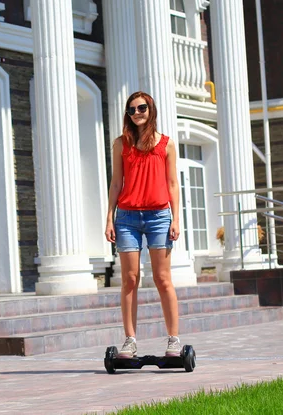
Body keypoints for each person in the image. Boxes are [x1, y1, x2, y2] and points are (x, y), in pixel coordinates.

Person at [104, 91, 181, 359]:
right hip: (126, 218)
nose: (137, 113)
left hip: (159, 216)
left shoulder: (166, 144)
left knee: (162, 279)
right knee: (130, 279)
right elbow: (116, 183)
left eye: (142, 108)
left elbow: (172, 184)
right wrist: (109, 218)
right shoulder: (120, 144)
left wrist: (176, 218)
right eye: (132, 109)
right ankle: (130, 340)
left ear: (151, 110)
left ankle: (173, 340)